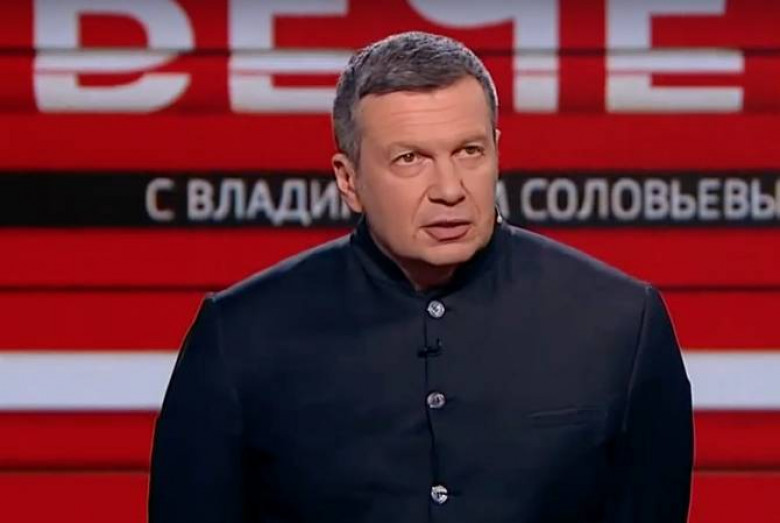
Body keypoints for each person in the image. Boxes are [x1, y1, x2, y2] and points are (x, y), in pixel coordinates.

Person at [149, 31, 693, 522]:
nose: (450, 189)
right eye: (410, 159)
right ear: (349, 179)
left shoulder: (621, 324)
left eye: (469, 151)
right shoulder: (240, 336)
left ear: (498, 151)